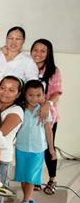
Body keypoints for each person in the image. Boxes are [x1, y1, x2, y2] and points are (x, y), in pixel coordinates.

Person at [15, 80, 56, 203]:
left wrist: (51, 149)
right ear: (25, 95)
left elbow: (48, 129)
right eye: (31, 95)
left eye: (38, 95)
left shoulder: (44, 110)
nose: (34, 99)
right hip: (21, 147)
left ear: (43, 95)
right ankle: (28, 198)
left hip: (38, 149)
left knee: (32, 176)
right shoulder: (20, 109)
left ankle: (25, 201)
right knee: (23, 176)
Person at [31, 39, 62, 195]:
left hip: (47, 114)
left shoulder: (53, 71)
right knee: (33, 147)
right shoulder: (27, 66)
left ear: (48, 53)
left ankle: (52, 179)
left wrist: (47, 104)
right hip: (30, 114)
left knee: (48, 147)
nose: (38, 53)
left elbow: (57, 92)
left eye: (43, 51)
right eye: (35, 50)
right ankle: (35, 180)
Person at [0, 76, 24, 203]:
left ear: (18, 94)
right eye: (2, 88)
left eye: (11, 90)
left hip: (1, 160)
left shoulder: (16, 111)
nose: (5, 92)